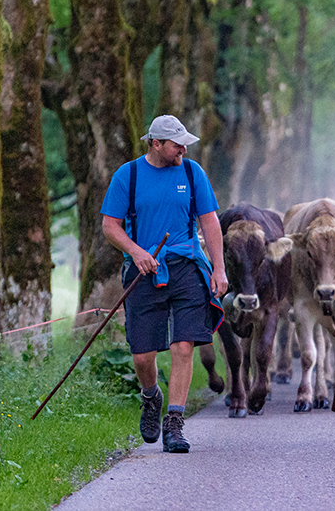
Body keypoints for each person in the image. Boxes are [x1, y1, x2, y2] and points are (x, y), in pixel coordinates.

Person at [101, 114, 228, 453]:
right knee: (143, 356)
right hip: (143, 271)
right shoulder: (127, 176)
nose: (183, 148)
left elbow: (210, 222)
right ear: (155, 143)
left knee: (183, 345)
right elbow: (110, 226)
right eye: (176, 144)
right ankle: (150, 396)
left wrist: (219, 269)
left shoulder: (191, 173)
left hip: (187, 266)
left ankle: (175, 423)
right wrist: (136, 251)